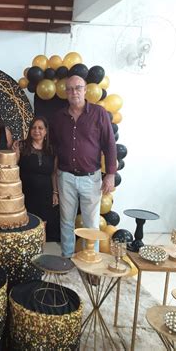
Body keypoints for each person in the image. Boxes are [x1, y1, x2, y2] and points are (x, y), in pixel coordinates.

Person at [49, 75, 117, 258]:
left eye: (78, 88)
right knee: (66, 221)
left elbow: (109, 145)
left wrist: (110, 174)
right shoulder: (58, 118)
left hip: (91, 178)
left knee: (91, 224)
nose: (74, 92)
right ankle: (67, 257)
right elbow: (53, 146)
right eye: (69, 89)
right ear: (65, 93)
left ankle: (91, 261)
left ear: (86, 90)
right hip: (66, 177)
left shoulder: (99, 113)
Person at [13, 116, 59, 242]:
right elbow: (13, 169)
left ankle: (40, 255)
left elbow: (54, 173)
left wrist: (55, 193)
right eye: (33, 127)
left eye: (40, 128)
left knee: (42, 225)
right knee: (25, 224)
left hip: (45, 194)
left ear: (46, 131)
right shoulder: (21, 146)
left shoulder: (52, 149)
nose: (36, 130)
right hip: (24, 193)